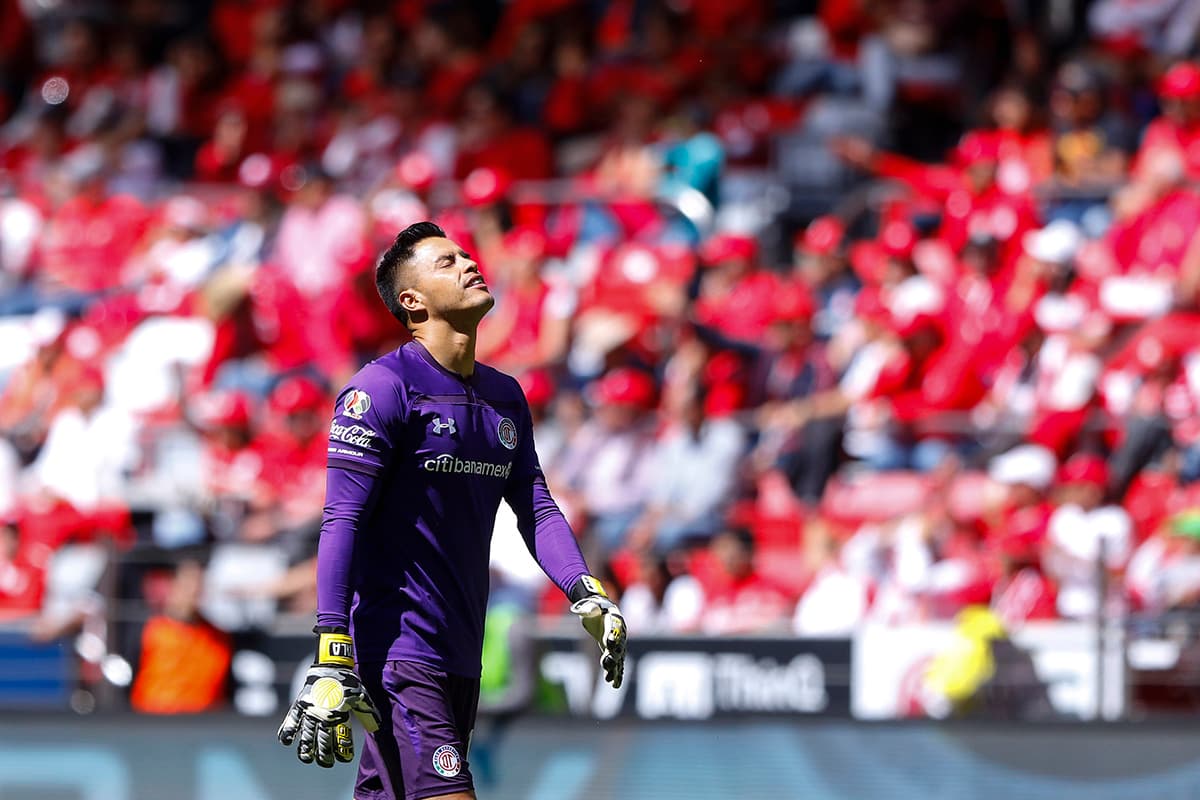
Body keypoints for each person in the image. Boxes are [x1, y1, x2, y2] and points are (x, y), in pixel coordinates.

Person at [276, 222, 626, 800]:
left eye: (465, 254)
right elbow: (341, 521)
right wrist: (332, 651)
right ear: (411, 302)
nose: (468, 264)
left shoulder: (505, 396)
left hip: (462, 647)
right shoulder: (381, 389)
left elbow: (535, 506)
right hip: (400, 647)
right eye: (446, 262)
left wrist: (585, 591)